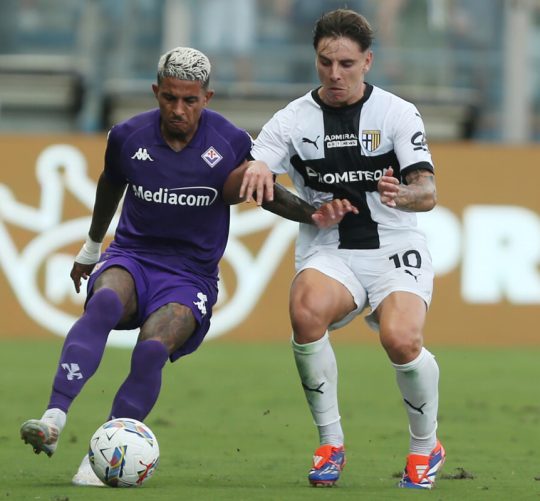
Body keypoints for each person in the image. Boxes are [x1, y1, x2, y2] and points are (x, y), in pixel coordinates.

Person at [19, 46, 354, 486]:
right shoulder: (127, 137)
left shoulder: (231, 142)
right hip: (132, 256)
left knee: (152, 349)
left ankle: (105, 451)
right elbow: (109, 186)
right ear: (156, 91)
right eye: (170, 98)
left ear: (207, 97)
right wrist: (91, 247)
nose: (178, 109)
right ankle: (54, 418)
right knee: (103, 304)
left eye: (190, 100)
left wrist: (313, 214)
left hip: (189, 276)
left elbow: (263, 190)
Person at [244, 8, 444, 490]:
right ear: (315, 58)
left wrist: (402, 194)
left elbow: (428, 192)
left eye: (347, 64)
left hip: (394, 246)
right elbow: (258, 182)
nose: (335, 74)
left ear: (367, 62)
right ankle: (330, 443)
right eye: (325, 62)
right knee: (305, 309)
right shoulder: (291, 120)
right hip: (331, 248)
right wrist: (299, 204)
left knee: (401, 340)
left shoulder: (396, 113)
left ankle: (425, 447)